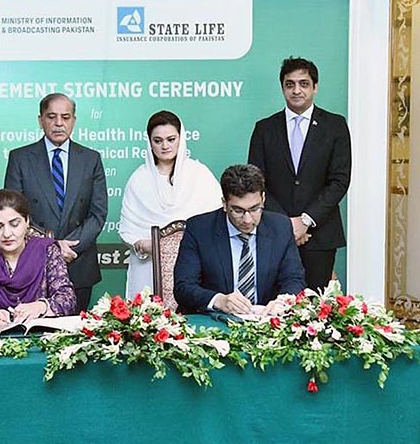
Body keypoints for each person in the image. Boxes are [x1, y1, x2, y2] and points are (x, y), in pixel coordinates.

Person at [248, 56, 351, 291]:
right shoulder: (264, 128)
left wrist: (305, 221)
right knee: (273, 310)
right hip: (274, 233)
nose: (296, 90)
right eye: (289, 84)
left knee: (314, 311)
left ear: (315, 87)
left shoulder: (335, 126)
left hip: (320, 234)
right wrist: (287, 225)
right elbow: (256, 181)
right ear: (282, 87)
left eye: (303, 84)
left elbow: (339, 180)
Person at [5, 93, 108, 313]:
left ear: (74, 120)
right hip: (33, 263)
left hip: (78, 261)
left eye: (65, 117)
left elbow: (97, 214)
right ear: (40, 119)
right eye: (51, 116)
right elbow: (12, 215)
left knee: (76, 337)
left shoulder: (91, 159)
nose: (59, 123)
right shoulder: (20, 158)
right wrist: (50, 246)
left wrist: (69, 247)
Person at [173, 164, 306, 315]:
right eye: (238, 211)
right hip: (215, 321)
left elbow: (294, 278)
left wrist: (283, 301)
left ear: (263, 199)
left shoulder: (280, 227)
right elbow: (183, 287)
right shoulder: (199, 229)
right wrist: (218, 300)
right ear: (224, 204)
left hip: (265, 321)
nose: (247, 219)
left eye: (255, 209)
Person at [119, 110, 222, 299]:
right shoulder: (139, 179)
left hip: (196, 267)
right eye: (158, 141)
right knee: (147, 322)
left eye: (171, 139)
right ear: (149, 142)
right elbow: (127, 230)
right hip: (148, 267)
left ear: (181, 139)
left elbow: (217, 223)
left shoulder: (200, 175)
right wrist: (146, 244)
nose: (165, 146)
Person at [0, 189, 76, 329]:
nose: (7, 234)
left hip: (39, 335)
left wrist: (41, 306)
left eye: (14, 224)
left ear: (27, 221)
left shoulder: (47, 250)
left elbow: (67, 296)